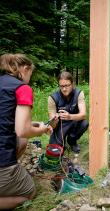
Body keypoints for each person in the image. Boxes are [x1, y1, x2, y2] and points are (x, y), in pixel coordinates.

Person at [0, 53, 53, 210]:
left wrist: (37, 124)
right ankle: (8, 174)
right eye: (31, 73)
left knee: (22, 141)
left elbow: (6, 118)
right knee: (29, 192)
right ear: (25, 69)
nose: (30, 77)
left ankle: (11, 172)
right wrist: (41, 130)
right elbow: (22, 130)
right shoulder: (22, 88)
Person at [48, 71, 88, 153]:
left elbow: (83, 115)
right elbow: (52, 125)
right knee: (55, 151)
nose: (64, 89)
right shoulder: (52, 98)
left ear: (72, 84)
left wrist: (70, 116)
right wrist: (54, 120)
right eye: (61, 86)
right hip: (60, 125)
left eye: (67, 85)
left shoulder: (79, 93)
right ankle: (61, 143)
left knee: (84, 123)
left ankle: (72, 140)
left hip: (74, 121)